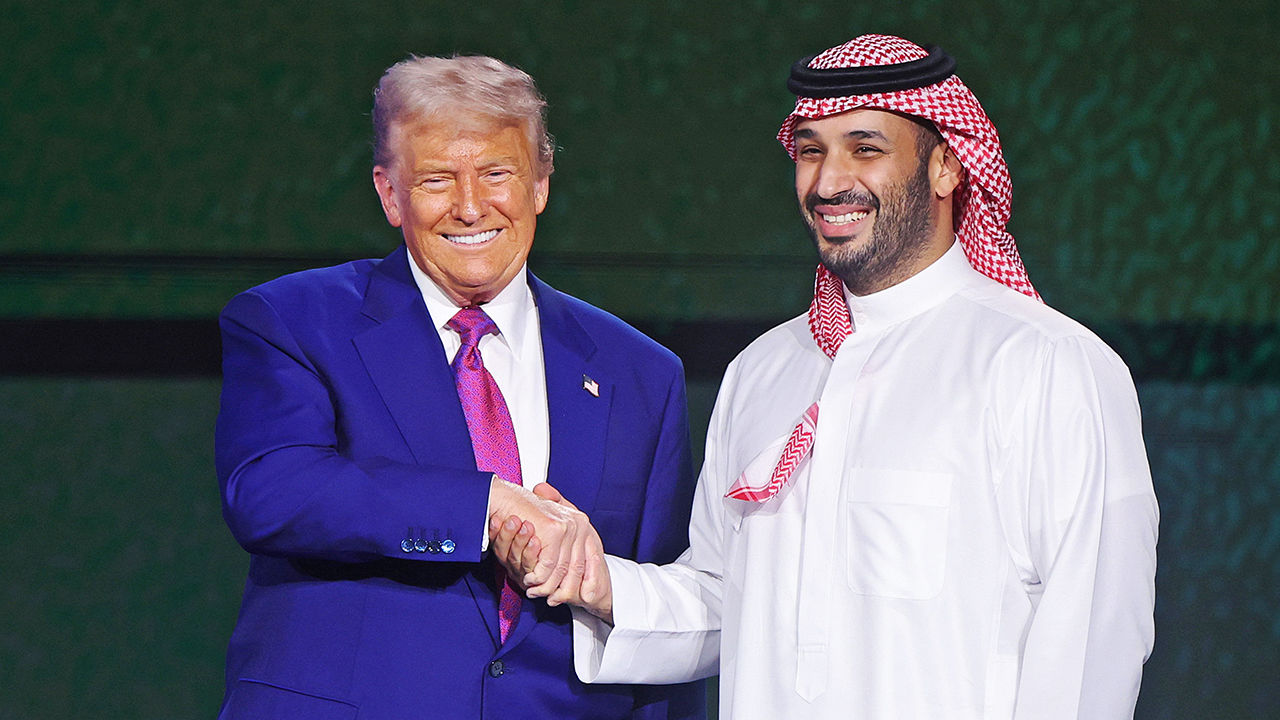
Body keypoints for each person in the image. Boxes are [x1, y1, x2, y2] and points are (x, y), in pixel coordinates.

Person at [493, 35, 1158, 719]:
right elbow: (729, 603)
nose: (829, 181)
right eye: (811, 151)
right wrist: (595, 581)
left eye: (865, 149)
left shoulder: (1047, 365)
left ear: (948, 167)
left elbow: (1090, 648)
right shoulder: (763, 371)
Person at [214, 54, 704, 719]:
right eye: (437, 179)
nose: (471, 207)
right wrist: (488, 507)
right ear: (390, 194)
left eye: (497, 174)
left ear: (540, 183)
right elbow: (272, 490)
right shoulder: (295, 320)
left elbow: (665, 613)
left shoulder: (639, 371)